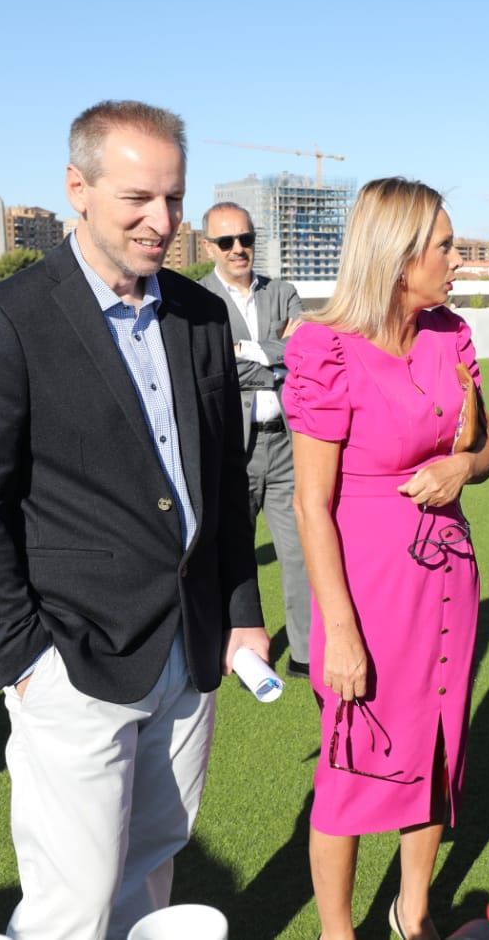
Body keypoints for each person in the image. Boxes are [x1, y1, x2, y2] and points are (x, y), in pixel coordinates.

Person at [0, 100, 267, 940]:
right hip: (69, 658)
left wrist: (241, 615)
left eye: (175, 199)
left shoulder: (199, 314)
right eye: (138, 199)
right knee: (71, 900)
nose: (163, 221)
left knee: (153, 864)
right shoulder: (7, 320)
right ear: (77, 188)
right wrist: (17, 656)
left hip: (189, 651)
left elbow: (222, 480)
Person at [286, 177, 489, 940]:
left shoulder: (452, 334)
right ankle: (337, 933)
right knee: (349, 764)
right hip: (367, 586)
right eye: (444, 245)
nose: (457, 258)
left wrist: (462, 469)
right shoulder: (325, 348)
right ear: (399, 255)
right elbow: (310, 503)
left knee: (439, 744)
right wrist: (337, 633)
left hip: (449, 575)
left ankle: (413, 913)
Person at [198, 202, 310, 676]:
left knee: (300, 552)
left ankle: (306, 653)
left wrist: (243, 351)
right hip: (229, 450)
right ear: (209, 247)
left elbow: (304, 350)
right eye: (227, 242)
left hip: (286, 443)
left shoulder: (282, 291)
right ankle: (244, 656)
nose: (238, 249)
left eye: (245, 239)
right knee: (233, 559)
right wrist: (272, 357)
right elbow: (209, 369)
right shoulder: (195, 298)